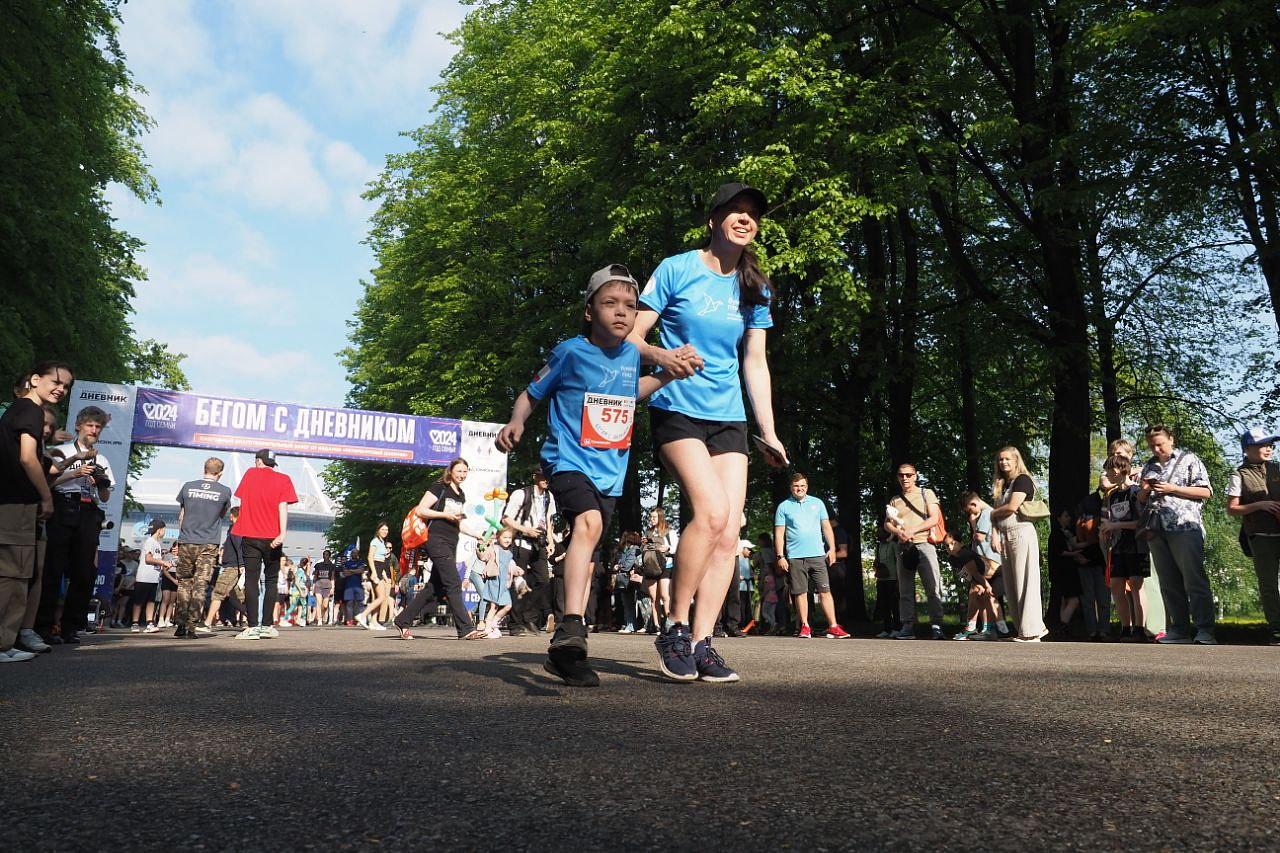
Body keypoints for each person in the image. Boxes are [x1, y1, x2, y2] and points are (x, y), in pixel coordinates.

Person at [628, 182, 788, 682]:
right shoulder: (677, 268)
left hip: (730, 417)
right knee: (711, 512)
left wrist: (770, 431)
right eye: (734, 211)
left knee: (730, 530)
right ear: (713, 218)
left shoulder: (753, 286)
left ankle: (702, 642)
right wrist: (663, 357)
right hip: (677, 406)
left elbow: (755, 363)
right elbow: (632, 334)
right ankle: (673, 628)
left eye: (752, 214)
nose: (745, 219)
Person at [498, 263, 679, 685]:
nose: (621, 312)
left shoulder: (633, 354)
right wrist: (517, 422)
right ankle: (572, 627)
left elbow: (629, 395)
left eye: (630, 307)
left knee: (591, 542)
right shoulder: (570, 352)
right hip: (567, 459)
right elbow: (531, 391)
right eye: (610, 303)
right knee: (589, 523)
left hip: (610, 471)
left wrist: (666, 374)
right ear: (588, 311)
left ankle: (566, 651)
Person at [1, 361, 72, 661]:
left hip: (10, 501)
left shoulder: (16, 410)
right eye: (56, 381)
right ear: (34, 379)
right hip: (17, 503)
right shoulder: (31, 410)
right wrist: (47, 497)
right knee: (14, 575)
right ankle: (3, 644)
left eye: (67, 385)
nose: (61, 388)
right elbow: (29, 458)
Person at [38, 403, 114, 645]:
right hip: (62, 506)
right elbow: (47, 482)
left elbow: (105, 496)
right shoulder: (60, 450)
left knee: (84, 572)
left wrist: (100, 481)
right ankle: (43, 626)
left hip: (88, 511)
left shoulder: (101, 457)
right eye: (90, 425)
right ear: (79, 425)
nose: (94, 430)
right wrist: (75, 472)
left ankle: (71, 626)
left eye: (98, 427)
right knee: (53, 568)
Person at [1136, 425, 1215, 645]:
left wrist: (1172, 489)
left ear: (1171, 439)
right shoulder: (1149, 466)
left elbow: (1206, 491)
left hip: (1185, 527)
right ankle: (1179, 630)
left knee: (1194, 580)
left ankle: (1205, 631)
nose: (1156, 448)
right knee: (1168, 583)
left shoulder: (1189, 460)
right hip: (1156, 529)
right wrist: (1144, 490)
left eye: (1160, 443)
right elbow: (1141, 500)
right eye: (1152, 445)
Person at [394, 458, 486, 640]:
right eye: (459, 471)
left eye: (465, 472)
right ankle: (466, 629)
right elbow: (421, 510)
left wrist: (476, 534)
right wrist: (445, 514)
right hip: (436, 540)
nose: (462, 475)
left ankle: (402, 620)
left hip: (452, 542)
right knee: (453, 583)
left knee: (434, 588)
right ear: (451, 471)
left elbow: (457, 522)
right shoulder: (439, 488)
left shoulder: (461, 495)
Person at [232, 449, 299, 641]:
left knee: (252, 580)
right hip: (273, 538)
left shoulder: (250, 474)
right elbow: (283, 506)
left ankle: (253, 626)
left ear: (258, 461)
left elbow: (241, 498)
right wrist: (282, 533)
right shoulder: (284, 479)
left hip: (251, 535)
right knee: (270, 581)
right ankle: (268, 626)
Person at [774, 473, 850, 639]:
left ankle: (833, 626)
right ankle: (805, 626)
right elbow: (779, 533)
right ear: (791, 487)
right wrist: (780, 555)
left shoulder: (817, 503)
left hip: (817, 554)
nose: (799, 489)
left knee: (825, 590)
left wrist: (831, 548)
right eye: (796, 486)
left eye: (802, 486)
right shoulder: (784, 506)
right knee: (800, 592)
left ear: (807, 487)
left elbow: (826, 527)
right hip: (795, 556)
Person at [1227, 427, 1280, 646]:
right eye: (1262, 445)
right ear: (1247, 448)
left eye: (1270, 445)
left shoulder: (1278, 468)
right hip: (1260, 535)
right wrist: (1260, 504)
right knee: (1268, 585)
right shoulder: (1238, 474)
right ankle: (1277, 629)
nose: (1268, 449)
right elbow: (1231, 509)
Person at [884, 462, 947, 640]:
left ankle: (936, 625)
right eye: (901, 475)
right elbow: (887, 523)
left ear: (915, 475)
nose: (905, 478)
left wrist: (913, 530)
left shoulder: (926, 493)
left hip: (924, 544)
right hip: (903, 547)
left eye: (909, 475)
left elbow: (934, 518)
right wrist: (898, 532)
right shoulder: (895, 500)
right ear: (897, 477)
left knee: (933, 587)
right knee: (905, 589)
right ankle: (907, 625)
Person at [990, 447, 1048, 642]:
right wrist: (995, 534)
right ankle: (1021, 629)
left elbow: (1012, 507)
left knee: (1025, 581)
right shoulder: (1002, 484)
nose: (1003, 462)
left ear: (1016, 460)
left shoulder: (1022, 480)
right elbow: (1001, 513)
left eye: (1007, 459)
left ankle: (1033, 630)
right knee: (1011, 584)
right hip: (1005, 534)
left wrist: (990, 512)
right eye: (1000, 459)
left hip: (1021, 533)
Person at [171, 457, 232, 638]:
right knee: (200, 585)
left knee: (184, 583)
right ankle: (191, 627)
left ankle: (180, 624)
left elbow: (182, 515)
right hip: (208, 543)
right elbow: (222, 514)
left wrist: (183, 537)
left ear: (203, 469)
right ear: (220, 473)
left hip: (187, 540)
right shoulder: (224, 491)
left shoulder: (188, 487)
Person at [1099, 454, 1150, 641]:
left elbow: (1142, 522)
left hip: (1137, 545)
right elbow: (1112, 519)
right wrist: (1107, 529)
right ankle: (1125, 628)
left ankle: (1139, 628)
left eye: (1109, 470)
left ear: (1119, 470)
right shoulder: (1112, 496)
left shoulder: (1136, 492)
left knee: (1136, 584)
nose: (1106, 474)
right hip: (1118, 546)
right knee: (1116, 586)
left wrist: (1115, 526)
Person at [503, 467, 557, 635]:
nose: (545, 479)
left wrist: (550, 540)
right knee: (519, 581)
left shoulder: (549, 496)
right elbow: (506, 518)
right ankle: (515, 624)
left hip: (539, 542)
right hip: (521, 540)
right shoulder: (521, 494)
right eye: (542, 476)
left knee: (543, 581)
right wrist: (525, 530)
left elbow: (549, 520)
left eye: (548, 476)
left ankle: (530, 618)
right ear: (535, 476)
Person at [200, 506, 247, 634]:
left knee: (218, 593)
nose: (229, 518)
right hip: (234, 565)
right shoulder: (239, 529)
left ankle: (207, 623)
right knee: (235, 597)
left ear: (233, 516)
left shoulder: (236, 529)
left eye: (230, 516)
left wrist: (242, 564)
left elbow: (239, 547)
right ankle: (254, 620)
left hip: (232, 566)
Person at [1047, 510, 1085, 640]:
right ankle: (1063, 626)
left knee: (1066, 600)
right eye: (1066, 515)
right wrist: (1075, 555)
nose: (1069, 518)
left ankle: (1062, 628)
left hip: (1068, 570)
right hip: (1063, 572)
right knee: (1073, 600)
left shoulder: (1068, 533)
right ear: (1058, 519)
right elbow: (1059, 552)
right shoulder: (1056, 534)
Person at [640, 507, 677, 633]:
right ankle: (656, 625)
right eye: (651, 517)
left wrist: (667, 549)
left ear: (660, 517)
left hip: (666, 565)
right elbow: (642, 549)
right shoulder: (648, 532)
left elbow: (676, 548)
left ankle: (669, 623)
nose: (651, 519)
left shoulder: (669, 532)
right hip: (650, 566)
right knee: (653, 597)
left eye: (654, 517)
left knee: (665, 595)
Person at [478, 528, 519, 638]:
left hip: (504, 583)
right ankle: (487, 629)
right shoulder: (495, 548)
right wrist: (482, 545)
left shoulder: (510, 553)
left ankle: (494, 623)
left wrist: (516, 570)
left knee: (508, 605)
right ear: (498, 538)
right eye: (504, 537)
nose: (507, 540)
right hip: (495, 581)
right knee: (494, 607)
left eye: (509, 538)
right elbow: (483, 556)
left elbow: (509, 566)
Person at [358, 522, 394, 631]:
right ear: (378, 530)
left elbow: (382, 561)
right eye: (383, 529)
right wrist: (374, 572)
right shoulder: (375, 541)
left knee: (381, 598)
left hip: (380, 570)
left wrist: (385, 576)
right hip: (375, 569)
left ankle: (374, 622)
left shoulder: (382, 542)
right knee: (381, 597)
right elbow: (370, 557)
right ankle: (362, 615)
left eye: (386, 530)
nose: (385, 532)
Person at [132, 519, 167, 633]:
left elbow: (156, 560)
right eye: (164, 529)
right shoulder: (150, 541)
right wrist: (162, 562)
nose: (164, 532)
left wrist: (164, 564)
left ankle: (149, 623)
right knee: (139, 601)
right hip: (144, 577)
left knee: (151, 601)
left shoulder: (157, 543)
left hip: (153, 578)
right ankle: (135, 623)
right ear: (160, 530)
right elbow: (148, 559)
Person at [313, 550, 336, 625]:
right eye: (324, 554)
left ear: (329, 556)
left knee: (325, 605)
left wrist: (332, 588)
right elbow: (315, 576)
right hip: (318, 585)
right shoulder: (318, 565)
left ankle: (320, 616)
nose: (325, 556)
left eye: (326, 554)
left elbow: (332, 577)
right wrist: (313, 586)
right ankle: (319, 619)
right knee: (319, 602)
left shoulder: (332, 566)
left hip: (327, 586)